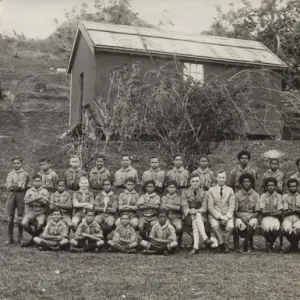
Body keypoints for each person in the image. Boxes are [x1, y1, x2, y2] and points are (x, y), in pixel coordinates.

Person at [182, 176, 213, 254]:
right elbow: (185, 207)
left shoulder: (204, 193)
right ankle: (205, 238)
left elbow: (204, 208)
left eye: (197, 181)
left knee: (196, 219)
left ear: (200, 182)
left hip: (201, 216)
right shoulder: (185, 192)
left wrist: (195, 211)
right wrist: (191, 212)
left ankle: (196, 247)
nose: (195, 183)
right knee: (196, 218)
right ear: (190, 182)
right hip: (188, 217)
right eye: (193, 181)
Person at [208, 170, 235, 253]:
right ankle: (221, 242)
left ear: (226, 179)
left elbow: (231, 206)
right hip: (215, 216)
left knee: (231, 226)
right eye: (219, 177)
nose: (221, 179)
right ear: (216, 178)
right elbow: (210, 207)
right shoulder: (211, 190)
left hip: (227, 215)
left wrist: (226, 217)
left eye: (223, 177)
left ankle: (225, 242)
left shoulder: (230, 190)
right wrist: (219, 216)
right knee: (215, 225)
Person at [5, 156, 30, 244]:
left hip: (21, 195)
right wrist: (14, 187)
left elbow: (28, 185)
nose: (16, 165)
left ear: (21, 163)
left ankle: (20, 236)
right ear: (12, 164)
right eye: (14, 163)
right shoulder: (10, 174)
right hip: (11, 195)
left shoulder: (25, 174)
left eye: (18, 163)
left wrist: (22, 187)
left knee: (20, 216)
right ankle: (10, 237)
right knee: (10, 217)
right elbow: (8, 186)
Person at [21, 174, 50, 247]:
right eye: (35, 181)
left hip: (41, 211)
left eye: (39, 181)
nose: (37, 183)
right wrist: (38, 198)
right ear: (33, 182)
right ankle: (35, 238)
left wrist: (32, 199)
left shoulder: (44, 191)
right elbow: (26, 201)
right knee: (24, 223)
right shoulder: (29, 190)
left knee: (40, 224)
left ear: (41, 182)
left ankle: (32, 240)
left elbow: (45, 202)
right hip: (31, 210)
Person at [234, 173, 260, 253]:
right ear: (241, 183)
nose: (246, 183)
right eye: (244, 181)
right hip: (240, 216)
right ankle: (248, 245)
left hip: (252, 216)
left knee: (252, 223)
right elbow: (235, 211)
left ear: (251, 182)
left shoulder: (256, 195)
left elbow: (257, 211)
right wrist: (241, 218)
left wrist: (250, 218)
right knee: (238, 223)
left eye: (248, 181)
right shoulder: (237, 195)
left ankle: (243, 246)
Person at [260, 177, 284, 252]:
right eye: (269, 185)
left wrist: (270, 212)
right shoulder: (263, 196)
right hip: (265, 218)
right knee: (266, 230)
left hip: (275, 218)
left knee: (275, 229)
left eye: (272, 185)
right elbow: (262, 211)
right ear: (266, 186)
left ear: (275, 186)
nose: (270, 187)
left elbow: (280, 212)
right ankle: (269, 243)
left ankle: (269, 245)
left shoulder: (279, 196)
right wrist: (274, 212)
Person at [282, 178, 300, 253]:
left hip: (297, 218)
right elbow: (285, 212)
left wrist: (293, 209)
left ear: (297, 187)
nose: (293, 188)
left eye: (294, 186)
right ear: (288, 187)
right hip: (287, 218)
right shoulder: (284, 197)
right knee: (286, 230)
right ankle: (294, 246)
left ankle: (292, 246)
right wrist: (296, 210)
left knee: (299, 230)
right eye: (291, 186)